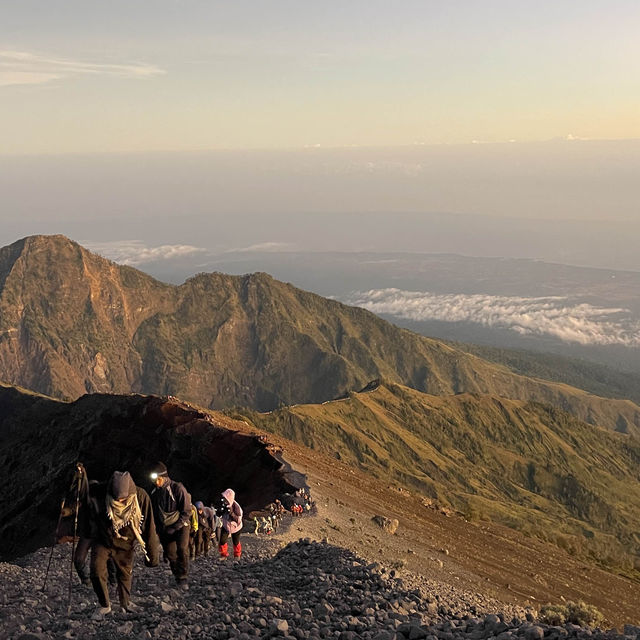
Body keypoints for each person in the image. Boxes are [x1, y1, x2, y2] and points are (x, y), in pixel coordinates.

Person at [87, 470, 159, 618]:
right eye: (116, 499)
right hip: (103, 538)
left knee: (124, 572)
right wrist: (79, 477)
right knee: (96, 569)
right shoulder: (100, 491)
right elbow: (82, 493)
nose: (120, 502)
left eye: (123, 499)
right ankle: (104, 605)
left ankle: (125, 603)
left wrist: (153, 556)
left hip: (126, 540)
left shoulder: (140, 496)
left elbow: (149, 527)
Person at [149, 462, 192, 589]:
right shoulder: (153, 493)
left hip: (181, 524)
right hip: (165, 528)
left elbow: (186, 511)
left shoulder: (177, 488)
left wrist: (175, 527)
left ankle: (183, 576)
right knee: (170, 554)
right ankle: (177, 575)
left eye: (158, 479)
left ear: (164, 477)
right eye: (154, 480)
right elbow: (153, 512)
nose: (156, 482)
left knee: (182, 549)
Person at [217, 488, 243, 559]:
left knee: (236, 541)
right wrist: (220, 511)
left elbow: (238, 520)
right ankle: (223, 554)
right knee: (222, 541)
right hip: (226, 526)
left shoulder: (236, 507)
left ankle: (237, 555)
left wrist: (231, 513)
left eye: (225, 498)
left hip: (236, 527)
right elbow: (219, 514)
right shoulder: (224, 505)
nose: (224, 500)